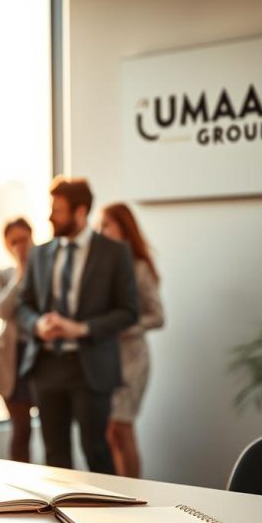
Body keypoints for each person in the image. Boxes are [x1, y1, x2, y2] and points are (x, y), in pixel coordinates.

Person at [17, 176, 138, 474]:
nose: (50, 216)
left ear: (80, 212)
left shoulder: (114, 253)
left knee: (96, 451)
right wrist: (38, 324)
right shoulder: (40, 253)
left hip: (91, 367)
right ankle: (59, 518)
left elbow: (128, 311)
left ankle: (110, 521)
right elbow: (23, 305)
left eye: (57, 210)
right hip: (46, 365)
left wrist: (80, 328)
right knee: (54, 456)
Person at [96, 203, 164, 478]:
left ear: (123, 228)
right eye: (98, 226)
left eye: (106, 225)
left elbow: (157, 316)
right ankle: (119, 493)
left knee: (121, 429)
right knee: (109, 433)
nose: (100, 232)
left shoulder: (140, 268)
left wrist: (124, 327)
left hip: (132, 360)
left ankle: (134, 494)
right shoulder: (102, 268)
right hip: (105, 359)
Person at [0, 217, 34, 462]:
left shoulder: (48, 270)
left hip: (43, 357)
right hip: (12, 360)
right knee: (21, 429)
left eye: (24, 239)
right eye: (13, 242)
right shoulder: (2, 275)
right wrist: (20, 274)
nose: (20, 246)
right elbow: (2, 310)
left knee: (53, 431)